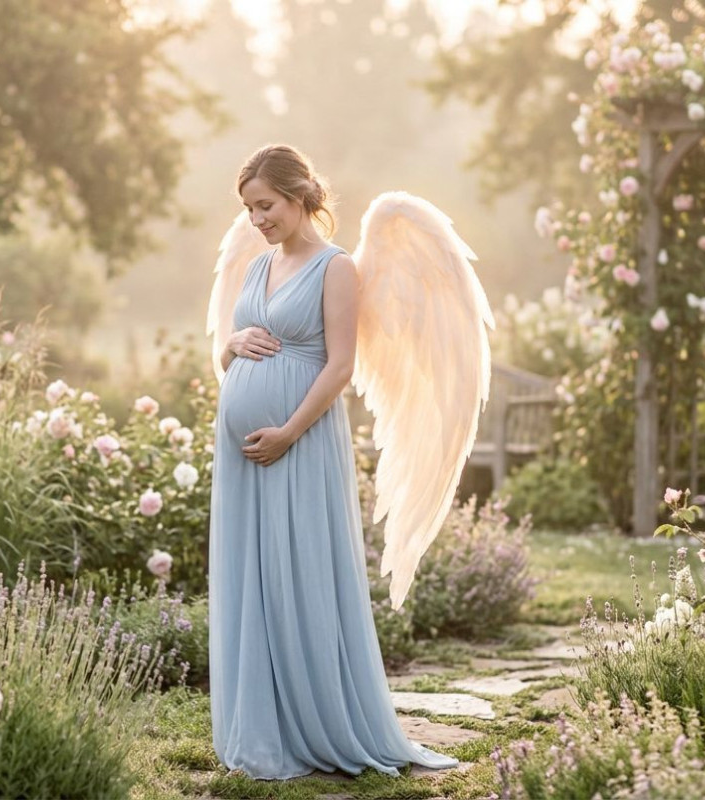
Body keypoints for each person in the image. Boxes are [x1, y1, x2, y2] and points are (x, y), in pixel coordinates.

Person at [208, 144, 460, 780]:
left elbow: (340, 367)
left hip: (300, 443)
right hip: (243, 457)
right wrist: (232, 344)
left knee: (298, 574)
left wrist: (288, 431)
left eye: (265, 206)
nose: (256, 219)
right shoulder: (258, 266)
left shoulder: (336, 268)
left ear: (299, 197)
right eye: (249, 208)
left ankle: (316, 721)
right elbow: (227, 355)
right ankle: (265, 721)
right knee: (255, 580)